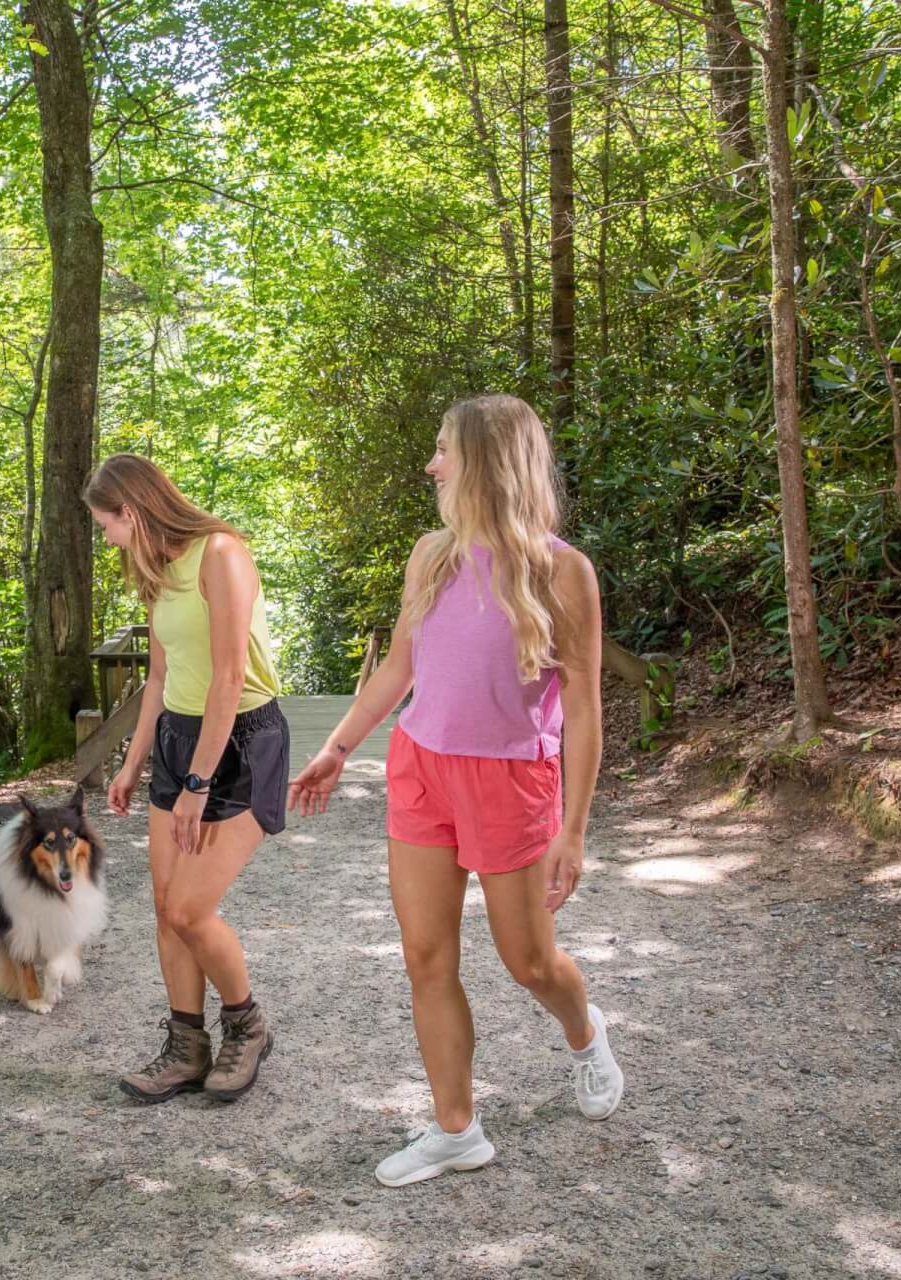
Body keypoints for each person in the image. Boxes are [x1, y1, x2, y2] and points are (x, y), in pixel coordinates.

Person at [289, 394, 624, 1186]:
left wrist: (573, 831)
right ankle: (455, 1130)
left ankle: (584, 1032)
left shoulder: (563, 572)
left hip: (512, 783)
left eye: (444, 450)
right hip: (421, 769)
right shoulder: (429, 555)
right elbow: (401, 670)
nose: (431, 465)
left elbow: (582, 710)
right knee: (425, 956)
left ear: (484, 461)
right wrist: (338, 746)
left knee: (530, 964)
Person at [88, 454, 290, 1103]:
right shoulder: (156, 569)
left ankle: (247, 1025)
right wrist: (133, 761)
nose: (107, 539)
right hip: (179, 738)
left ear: (133, 510)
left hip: (242, 741)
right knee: (164, 909)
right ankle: (187, 1045)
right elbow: (158, 678)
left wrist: (199, 784)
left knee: (189, 908)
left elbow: (230, 678)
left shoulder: (221, 554)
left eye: (106, 525)